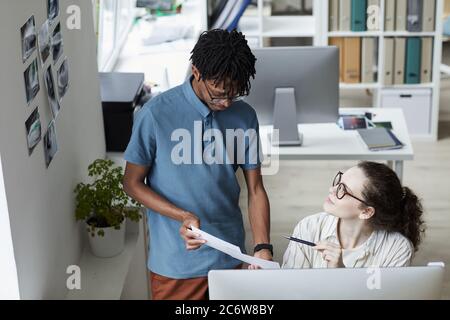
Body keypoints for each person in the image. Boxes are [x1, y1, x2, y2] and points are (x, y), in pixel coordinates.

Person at [123, 29, 272, 300]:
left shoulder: (244, 116)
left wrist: (262, 245)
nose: (226, 103)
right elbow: (131, 183)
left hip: (230, 255)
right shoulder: (155, 114)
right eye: (218, 94)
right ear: (196, 71)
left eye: (234, 95)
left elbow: (256, 190)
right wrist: (182, 216)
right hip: (177, 265)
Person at [282, 161, 425, 269]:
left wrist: (342, 275)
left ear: (366, 212)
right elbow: (288, 289)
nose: (332, 189)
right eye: (339, 182)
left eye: (343, 190)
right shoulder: (308, 227)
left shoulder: (397, 249)